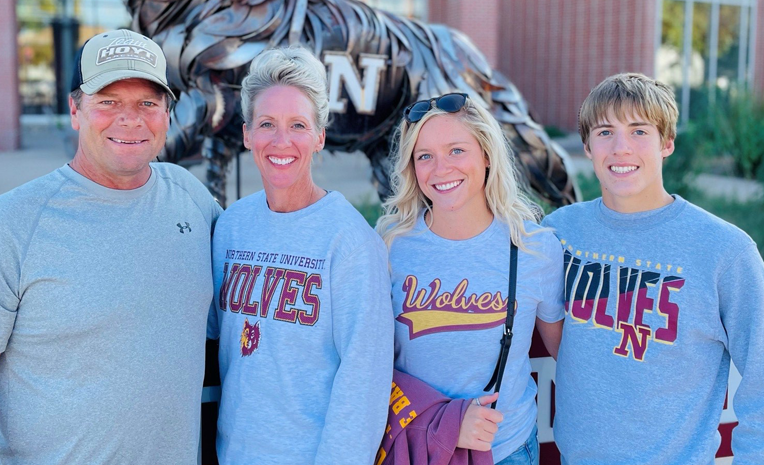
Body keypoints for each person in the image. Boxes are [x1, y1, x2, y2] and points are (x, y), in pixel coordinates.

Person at [0, 29, 222, 464]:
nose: (131, 118)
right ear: (75, 110)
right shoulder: (16, 221)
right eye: (108, 101)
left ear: (167, 113)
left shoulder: (191, 198)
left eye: (147, 103)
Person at [542, 73, 764, 464]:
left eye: (639, 131)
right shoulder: (559, 232)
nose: (621, 148)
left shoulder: (725, 251)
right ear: (587, 146)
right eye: (605, 132)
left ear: (667, 143)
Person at [207, 46, 394, 465]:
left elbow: (363, 382)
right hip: (234, 453)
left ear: (319, 137)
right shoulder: (232, 227)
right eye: (267, 124)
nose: (281, 141)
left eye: (298, 125)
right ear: (247, 134)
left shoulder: (349, 242)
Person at [376, 92, 565, 465]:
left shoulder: (534, 250)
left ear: (487, 155)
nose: (440, 168)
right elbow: (369, 362)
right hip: (417, 448)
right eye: (424, 156)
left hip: (506, 451)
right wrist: (446, 425)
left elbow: (569, 360)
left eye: (456, 150)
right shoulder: (389, 248)